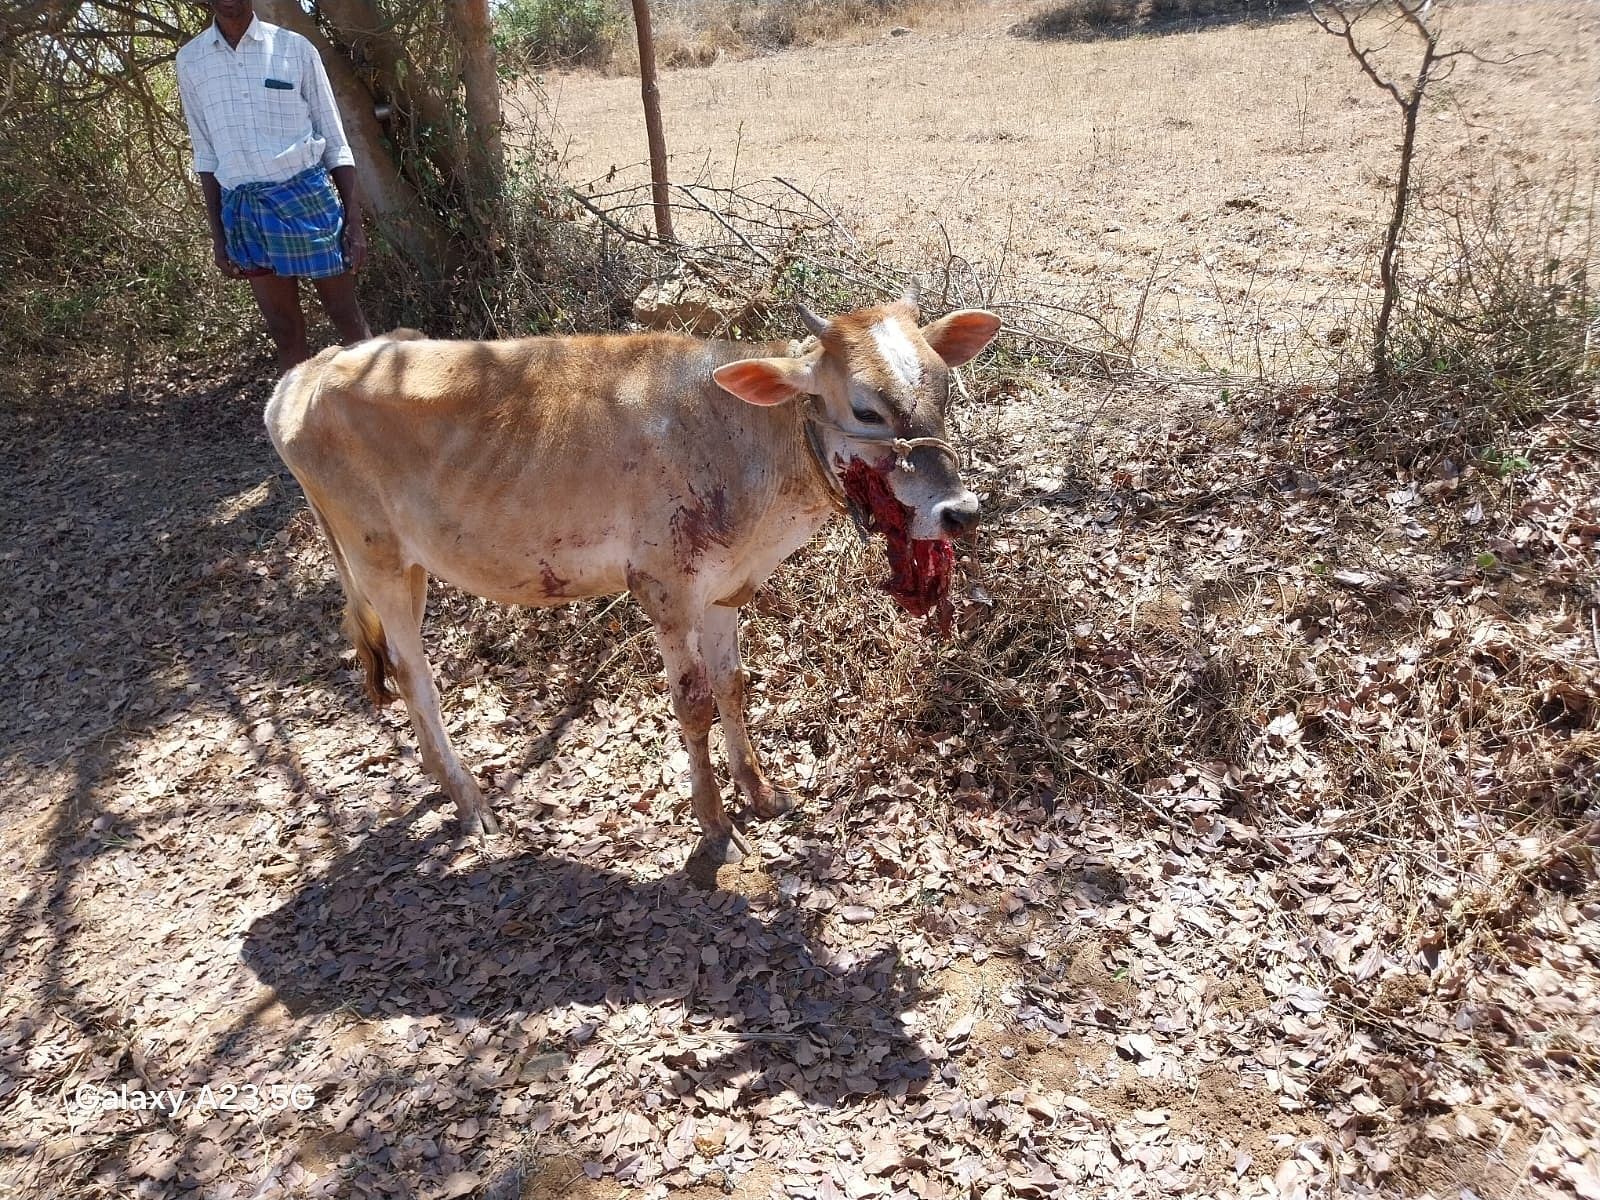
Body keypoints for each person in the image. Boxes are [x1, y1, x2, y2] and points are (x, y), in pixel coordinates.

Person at [176, 0, 372, 372]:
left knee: (346, 316)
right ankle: (299, 427)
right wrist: (219, 237)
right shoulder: (191, 61)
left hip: (306, 200)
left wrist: (355, 223)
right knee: (284, 330)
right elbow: (206, 154)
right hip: (244, 208)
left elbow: (335, 141)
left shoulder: (294, 49)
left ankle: (386, 419)